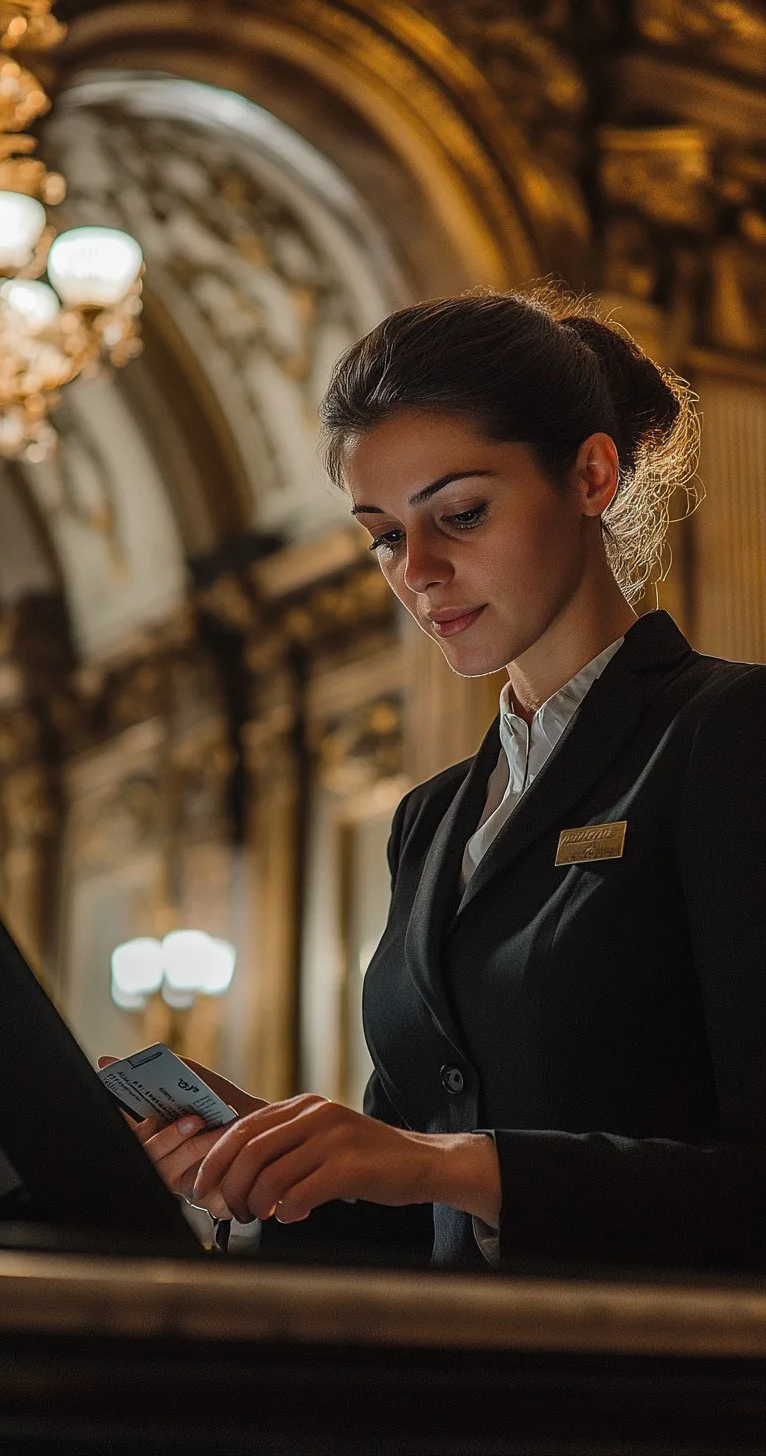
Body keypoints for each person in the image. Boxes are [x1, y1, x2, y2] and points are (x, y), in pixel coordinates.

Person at [112, 284, 765, 1271]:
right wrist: (280, 1156)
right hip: (468, 1386)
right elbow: (416, 1220)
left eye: (459, 513)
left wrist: (447, 1163)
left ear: (591, 474)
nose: (416, 568)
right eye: (382, 533)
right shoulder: (432, 818)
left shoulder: (728, 735)